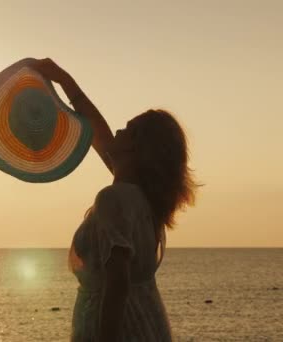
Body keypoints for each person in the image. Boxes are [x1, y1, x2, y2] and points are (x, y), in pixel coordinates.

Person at [33, 58, 198, 342]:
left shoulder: (115, 199)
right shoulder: (142, 199)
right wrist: (63, 80)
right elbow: (98, 134)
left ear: (138, 149)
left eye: (126, 129)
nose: (116, 132)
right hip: (146, 324)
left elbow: (118, 282)